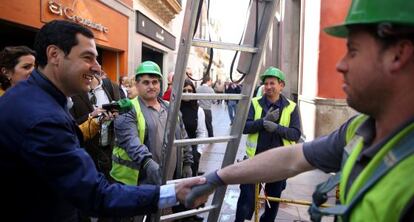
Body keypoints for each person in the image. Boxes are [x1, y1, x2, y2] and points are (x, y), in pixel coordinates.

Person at [185, 1, 414, 221]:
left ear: (398, 54)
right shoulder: (360, 129)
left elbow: (294, 137)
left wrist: (276, 128)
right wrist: (217, 177)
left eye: (353, 51)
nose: (340, 65)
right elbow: (294, 157)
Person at [0, 19, 205, 221]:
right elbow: (95, 194)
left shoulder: (40, 98)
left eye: (155, 82)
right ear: (54, 55)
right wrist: (172, 192)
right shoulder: (42, 116)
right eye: (88, 57)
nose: (98, 68)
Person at [111, 60, 194, 185]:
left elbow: (183, 136)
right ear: (137, 85)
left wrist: (187, 162)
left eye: (155, 82)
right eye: (146, 82)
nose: (151, 86)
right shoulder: (127, 109)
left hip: (170, 180)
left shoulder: (170, 107)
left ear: (160, 84)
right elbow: (130, 141)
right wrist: (148, 163)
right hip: (138, 183)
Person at [235, 67, 301, 222]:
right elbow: (244, 127)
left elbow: (296, 134)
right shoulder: (255, 103)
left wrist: (277, 128)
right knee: (247, 199)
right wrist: (263, 122)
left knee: (272, 201)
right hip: (254, 159)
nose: (269, 86)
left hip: (279, 163)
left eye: (272, 83)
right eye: (266, 83)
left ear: (281, 85)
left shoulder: (291, 107)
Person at [70, 70, 120, 181]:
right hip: (86, 154)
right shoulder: (72, 90)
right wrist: (91, 115)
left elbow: (123, 114)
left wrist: (116, 114)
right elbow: (70, 125)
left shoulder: (112, 86)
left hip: (110, 151)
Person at [175, 78, 208, 221]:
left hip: (192, 153)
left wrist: (199, 152)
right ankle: (177, 213)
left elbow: (202, 132)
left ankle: (191, 214)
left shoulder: (198, 110)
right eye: (184, 91)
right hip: (176, 152)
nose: (187, 93)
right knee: (177, 183)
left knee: (191, 184)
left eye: (190, 90)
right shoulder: (173, 108)